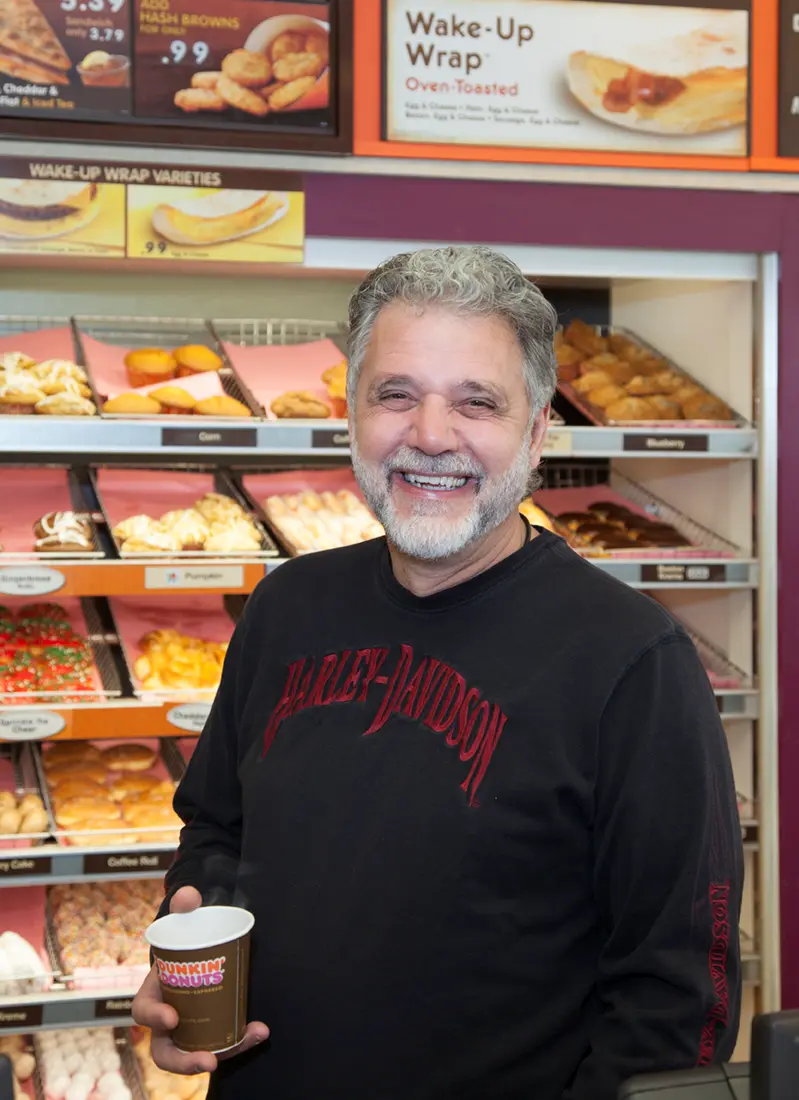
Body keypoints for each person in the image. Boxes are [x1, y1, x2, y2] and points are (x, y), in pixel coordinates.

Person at [133, 246, 743, 1100]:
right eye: (395, 394)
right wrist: (188, 950)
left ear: (534, 437)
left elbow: (676, 991)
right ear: (351, 415)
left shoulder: (629, 663)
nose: (428, 435)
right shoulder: (286, 606)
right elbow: (215, 831)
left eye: (476, 403)